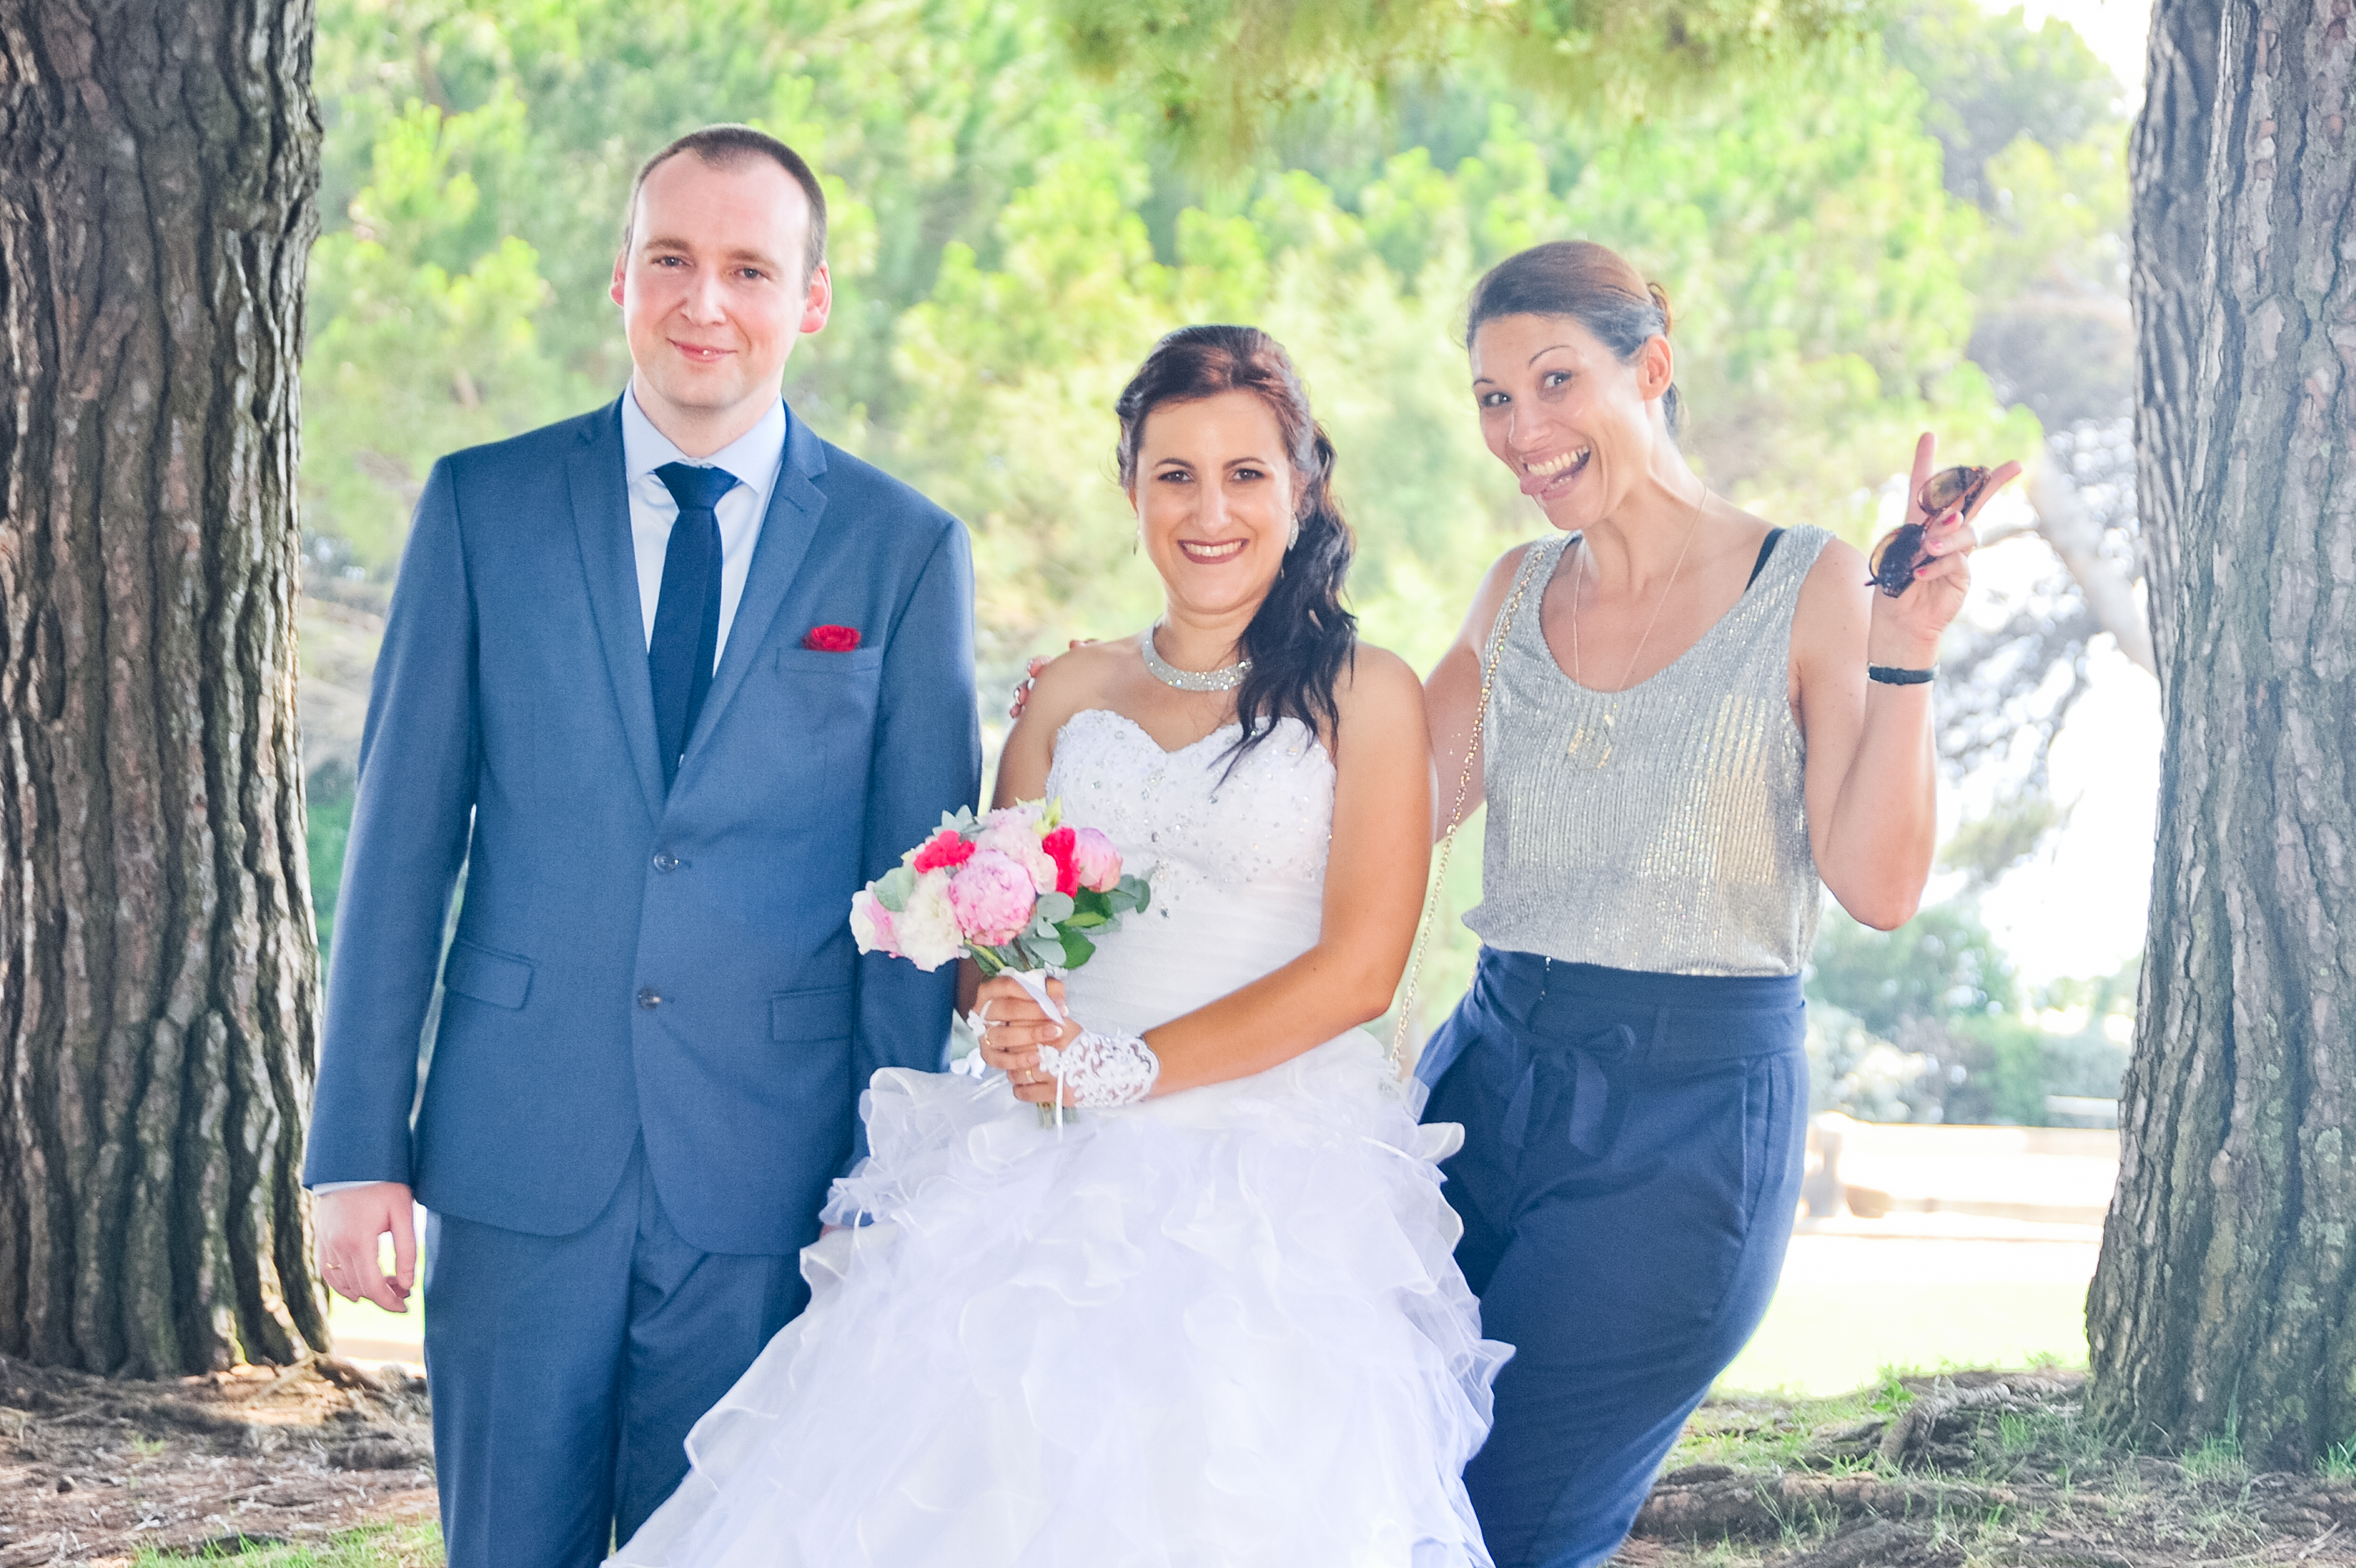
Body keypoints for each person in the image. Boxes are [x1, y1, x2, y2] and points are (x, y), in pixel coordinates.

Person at [611, 325, 1508, 1567]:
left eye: (1246, 474)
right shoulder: (1065, 693)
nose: (1209, 511)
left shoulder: (1367, 691)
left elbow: (1361, 972)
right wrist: (1010, 1013)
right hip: (1037, 1149)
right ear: (1130, 489)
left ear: (1303, 487)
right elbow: (995, 935)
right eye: (1174, 474)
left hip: (1266, 1173)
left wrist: (1121, 1066)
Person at [300, 124, 981, 1568]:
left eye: (750, 269)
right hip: (518, 1155)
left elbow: (913, 900)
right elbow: (401, 849)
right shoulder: (482, 507)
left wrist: (892, 1175)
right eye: (671, 258)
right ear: (620, 276)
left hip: (772, 1175)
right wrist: (355, 1148)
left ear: (812, 300)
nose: (703, 301)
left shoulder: (902, 548)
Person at [1414, 239, 2018, 1568]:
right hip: (1480, 1090)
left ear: (1654, 368)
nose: (1521, 431)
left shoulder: (1808, 582)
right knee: (1373, 1484)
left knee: (1506, 1532)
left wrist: (1906, 648)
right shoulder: (1514, 594)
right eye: (1495, 397)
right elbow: (1384, 806)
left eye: (1556, 380)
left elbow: (1878, 884)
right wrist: (1148, 696)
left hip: (1683, 1138)